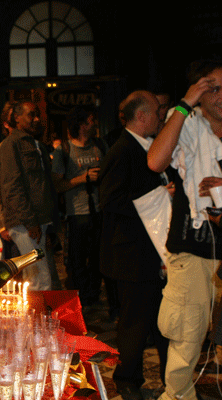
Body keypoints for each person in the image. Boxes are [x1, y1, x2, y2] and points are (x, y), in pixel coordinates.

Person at [148, 59, 222, 400]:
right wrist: (183, 105)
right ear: (199, 93)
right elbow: (155, 161)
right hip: (192, 247)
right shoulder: (187, 125)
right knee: (187, 338)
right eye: (213, 88)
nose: (220, 96)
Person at [100, 91, 171, 400]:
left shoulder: (146, 145)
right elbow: (110, 201)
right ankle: (127, 380)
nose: (161, 116)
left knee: (160, 321)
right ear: (141, 116)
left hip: (149, 251)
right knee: (134, 323)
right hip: (131, 253)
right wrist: (157, 197)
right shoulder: (122, 150)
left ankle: (170, 379)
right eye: (156, 111)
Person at [51, 105, 106, 308]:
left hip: (100, 210)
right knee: (77, 260)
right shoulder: (64, 150)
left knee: (98, 258)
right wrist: (83, 178)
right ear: (82, 124)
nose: (95, 124)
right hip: (76, 213)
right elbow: (57, 185)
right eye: (91, 120)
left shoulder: (100, 145)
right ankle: (79, 298)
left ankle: (93, 295)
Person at [0, 100, 57, 290]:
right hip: (25, 222)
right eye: (31, 115)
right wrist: (30, 222)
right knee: (40, 279)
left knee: (41, 276)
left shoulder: (35, 144)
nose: (36, 119)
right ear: (17, 118)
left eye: (37, 115)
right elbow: (12, 187)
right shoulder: (11, 144)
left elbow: (43, 185)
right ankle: (36, 311)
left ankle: (37, 309)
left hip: (38, 220)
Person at [0, 101, 21, 260]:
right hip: (13, 223)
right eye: (14, 118)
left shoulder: (34, 147)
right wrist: (1, 225)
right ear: (7, 124)